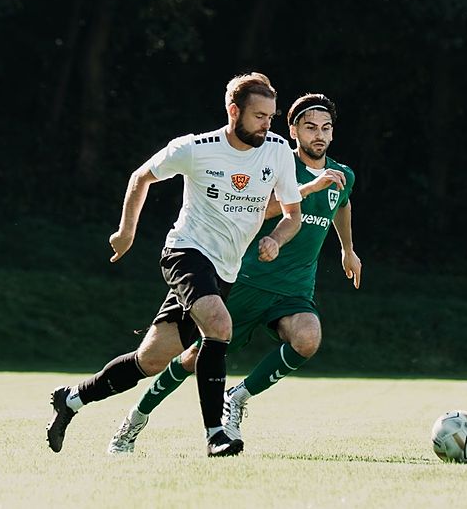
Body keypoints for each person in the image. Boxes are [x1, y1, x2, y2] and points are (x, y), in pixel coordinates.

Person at [46, 72, 303, 457]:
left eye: (271, 116)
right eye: (259, 116)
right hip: (186, 252)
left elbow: (292, 214)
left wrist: (275, 239)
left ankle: (71, 400)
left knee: (150, 360)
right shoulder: (196, 148)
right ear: (234, 111)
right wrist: (126, 233)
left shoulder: (278, 151)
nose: (267, 124)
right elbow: (141, 177)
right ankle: (216, 434)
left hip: (224, 270)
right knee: (219, 327)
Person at [107, 93, 361, 453]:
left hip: (294, 287)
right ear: (293, 131)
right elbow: (265, 208)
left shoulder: (342, 174)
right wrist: (307, 190)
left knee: (307, 338)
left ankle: (238, 397)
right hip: (246, 279)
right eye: (310, 127)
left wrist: (347, 249)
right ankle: (135, 418)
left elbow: (342, 204)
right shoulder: (273, 158)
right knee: (191, 358)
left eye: (326, 128)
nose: (318, 135)